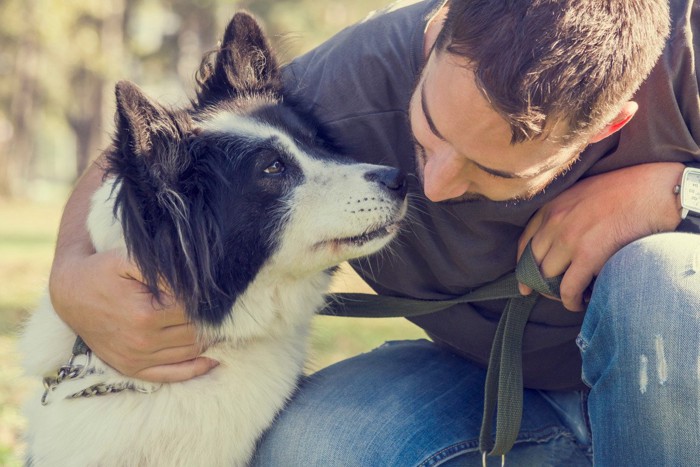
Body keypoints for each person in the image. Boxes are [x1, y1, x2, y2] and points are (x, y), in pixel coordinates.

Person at [48, 0, 699, 465]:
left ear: (607, 125)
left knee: (660, 279)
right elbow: (171, 143)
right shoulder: (356, 74)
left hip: (679, 389)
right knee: (301, 447)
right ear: (439, 26)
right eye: (428, 130)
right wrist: (70, 274)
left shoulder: (687, 57)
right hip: (497, 396)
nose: (435, 184)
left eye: (490, 169)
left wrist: (670, 191)